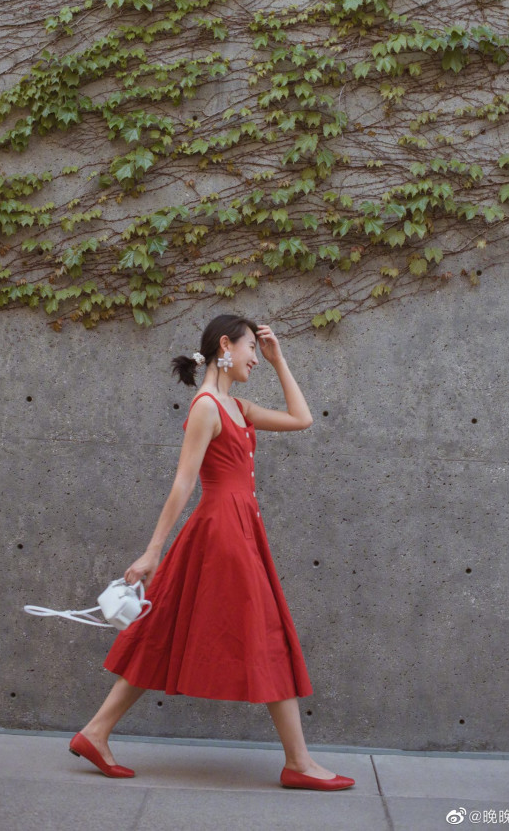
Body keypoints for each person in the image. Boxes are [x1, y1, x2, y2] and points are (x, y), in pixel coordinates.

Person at [69, 314, 354, 791]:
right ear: (225, 345)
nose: (254, 359)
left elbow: (302, 419)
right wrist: (152, 552)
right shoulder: (206, 406)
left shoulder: (237, 406)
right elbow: (183, 483)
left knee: (162, 628)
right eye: (250, 350)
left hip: (236, 529)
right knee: (268, 632)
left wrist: (279, 361)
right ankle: (299, 763)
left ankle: (95, 733)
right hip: (222, 533)